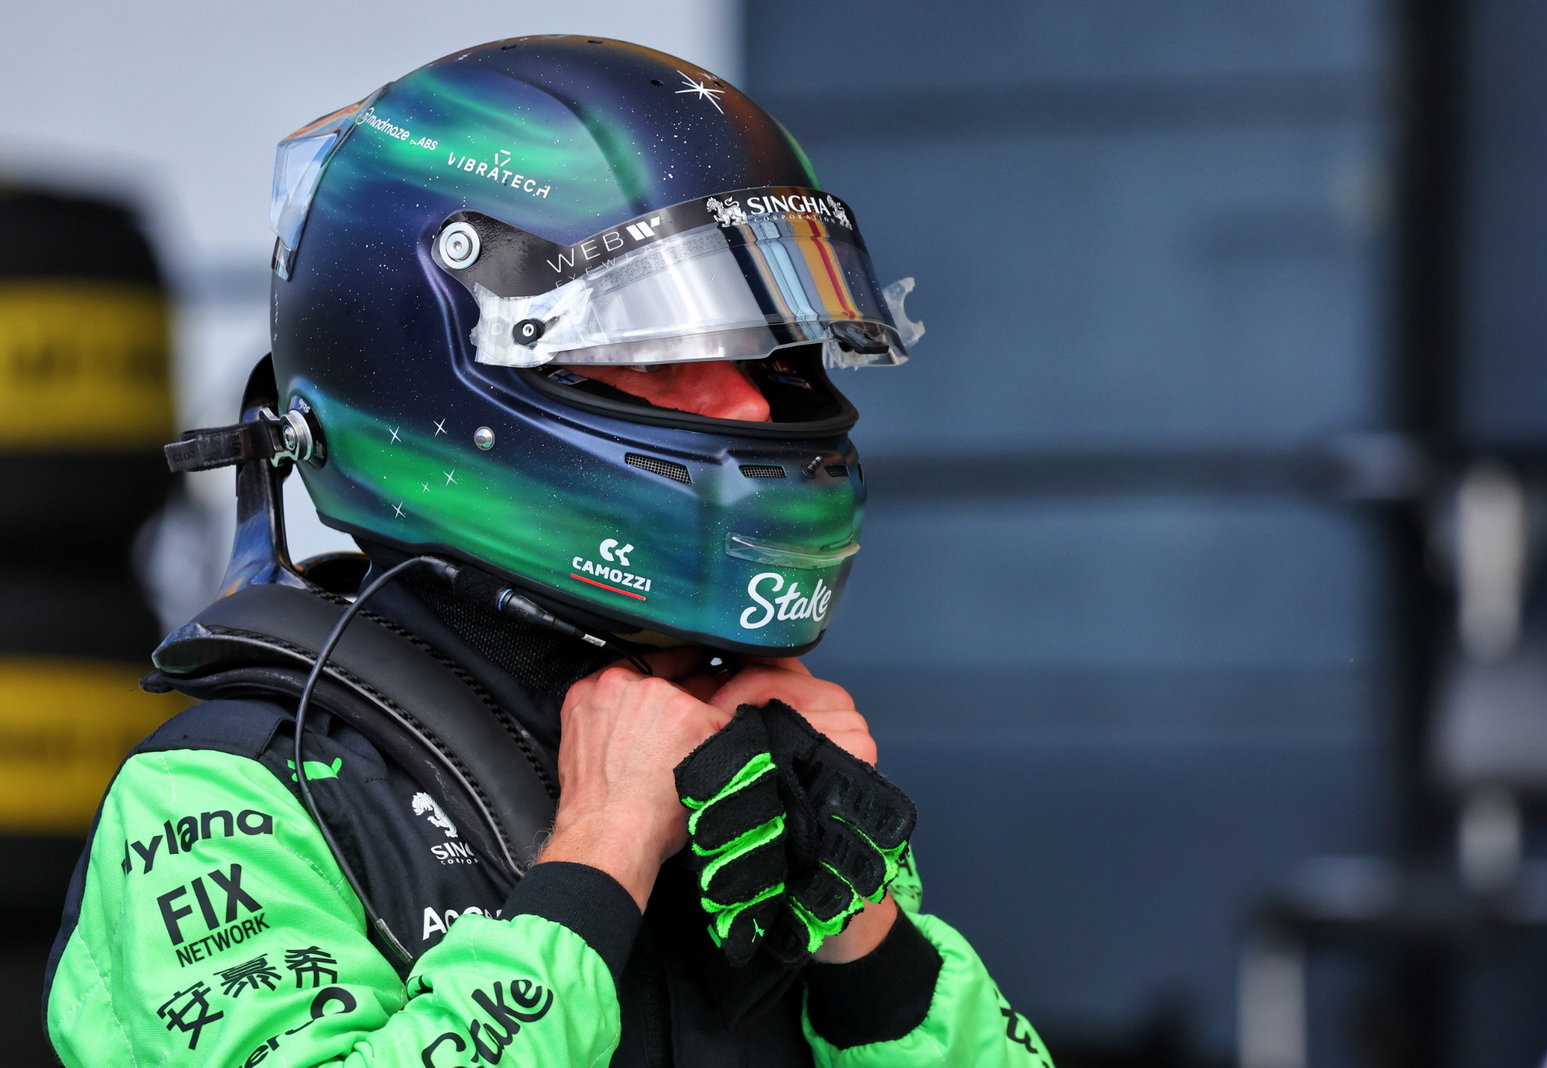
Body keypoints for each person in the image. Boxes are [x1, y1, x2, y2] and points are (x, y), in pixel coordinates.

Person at [43, 36, 1053, 1067]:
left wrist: (867, 952)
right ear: (429, 379)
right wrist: (596, 861)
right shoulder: (221, 801)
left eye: (768, 352)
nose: (750, 403)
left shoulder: (760, 768)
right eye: (657, 356)